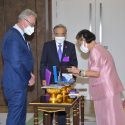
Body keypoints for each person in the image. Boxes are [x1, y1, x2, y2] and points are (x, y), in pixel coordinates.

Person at [67, 29, 125, 125]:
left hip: (105, 91)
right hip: (109, 89)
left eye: (79, 43)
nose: (79, 46)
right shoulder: (99, 48)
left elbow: (96, 73)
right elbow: (97, 72)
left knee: (109, 119)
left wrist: (79, 71)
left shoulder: (95, 51)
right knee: (112, 116)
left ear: (84, 40)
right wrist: (78, 73)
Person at [2, 9, 37, 125]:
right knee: (15, 119)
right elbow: (16, 62)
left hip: (18, 83)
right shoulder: (13, 36)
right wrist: (29, 77)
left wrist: (29, 74)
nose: (33, 27)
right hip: (15, 84)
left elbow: (21, 60)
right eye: (32, 24)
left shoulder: (19, 35)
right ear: (23, 20)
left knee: (20, 119)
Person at [39, 24, 78, 125]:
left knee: (62, 107)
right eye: (57, 34)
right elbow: (43, 63)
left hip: (65, 81)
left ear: (66, 34)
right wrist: (43, 78)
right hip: (50, 80)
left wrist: (72, 79)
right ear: (53, 34)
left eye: (62, 34)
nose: (60, 36)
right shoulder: (47, 45)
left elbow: (74, 63)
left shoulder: (70, 46)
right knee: (49, 107)